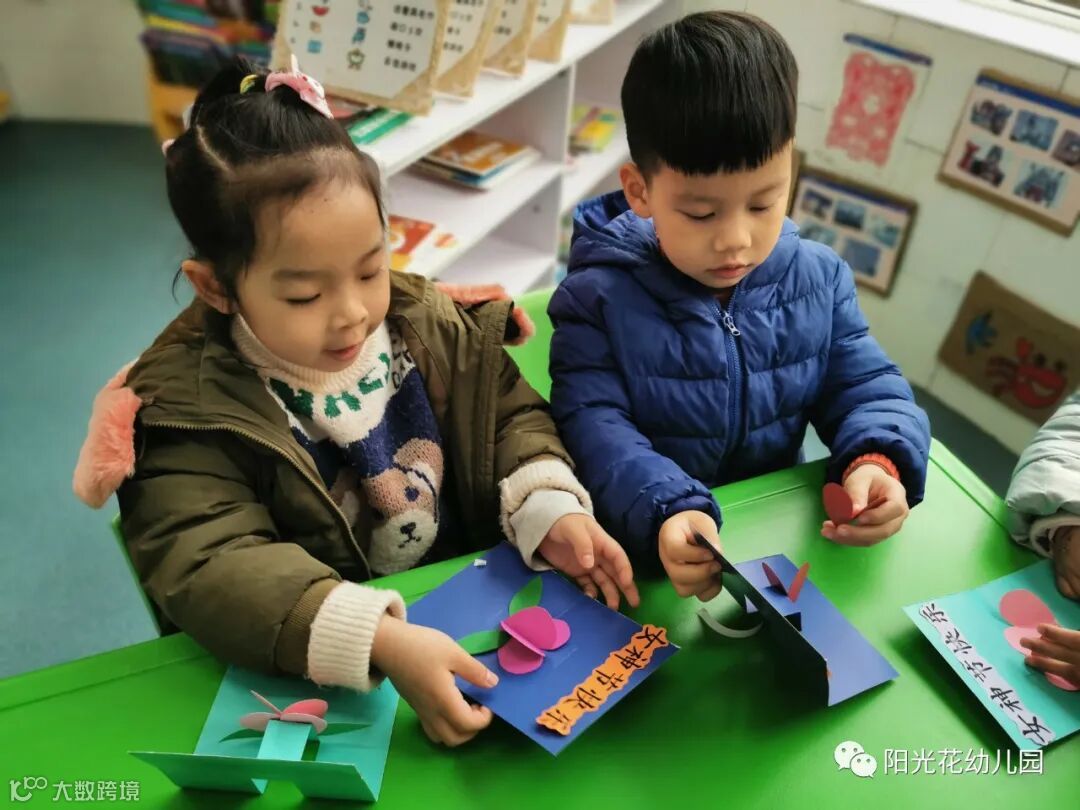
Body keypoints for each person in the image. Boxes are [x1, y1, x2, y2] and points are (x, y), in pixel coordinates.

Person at [73, 57, 637, 747]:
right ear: (215, 287)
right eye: (304, 294)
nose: (351, 314)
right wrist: (377, 638)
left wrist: (546, 506)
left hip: (472, 619)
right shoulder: (184, 410)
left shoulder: (426, 323)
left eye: (371, 268)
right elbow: (213, 563)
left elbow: (507, 417)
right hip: (329, 670)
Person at [548, 12, 931, 602]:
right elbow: (594, 429)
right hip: (651, 542)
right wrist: (669, 506)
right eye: (701, 213)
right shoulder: (594, 299)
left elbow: (867, 386)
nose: (736, 240)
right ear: (640, 191)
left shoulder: (819, 279)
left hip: (776, 539)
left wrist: (876, 460)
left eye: (763, 203)